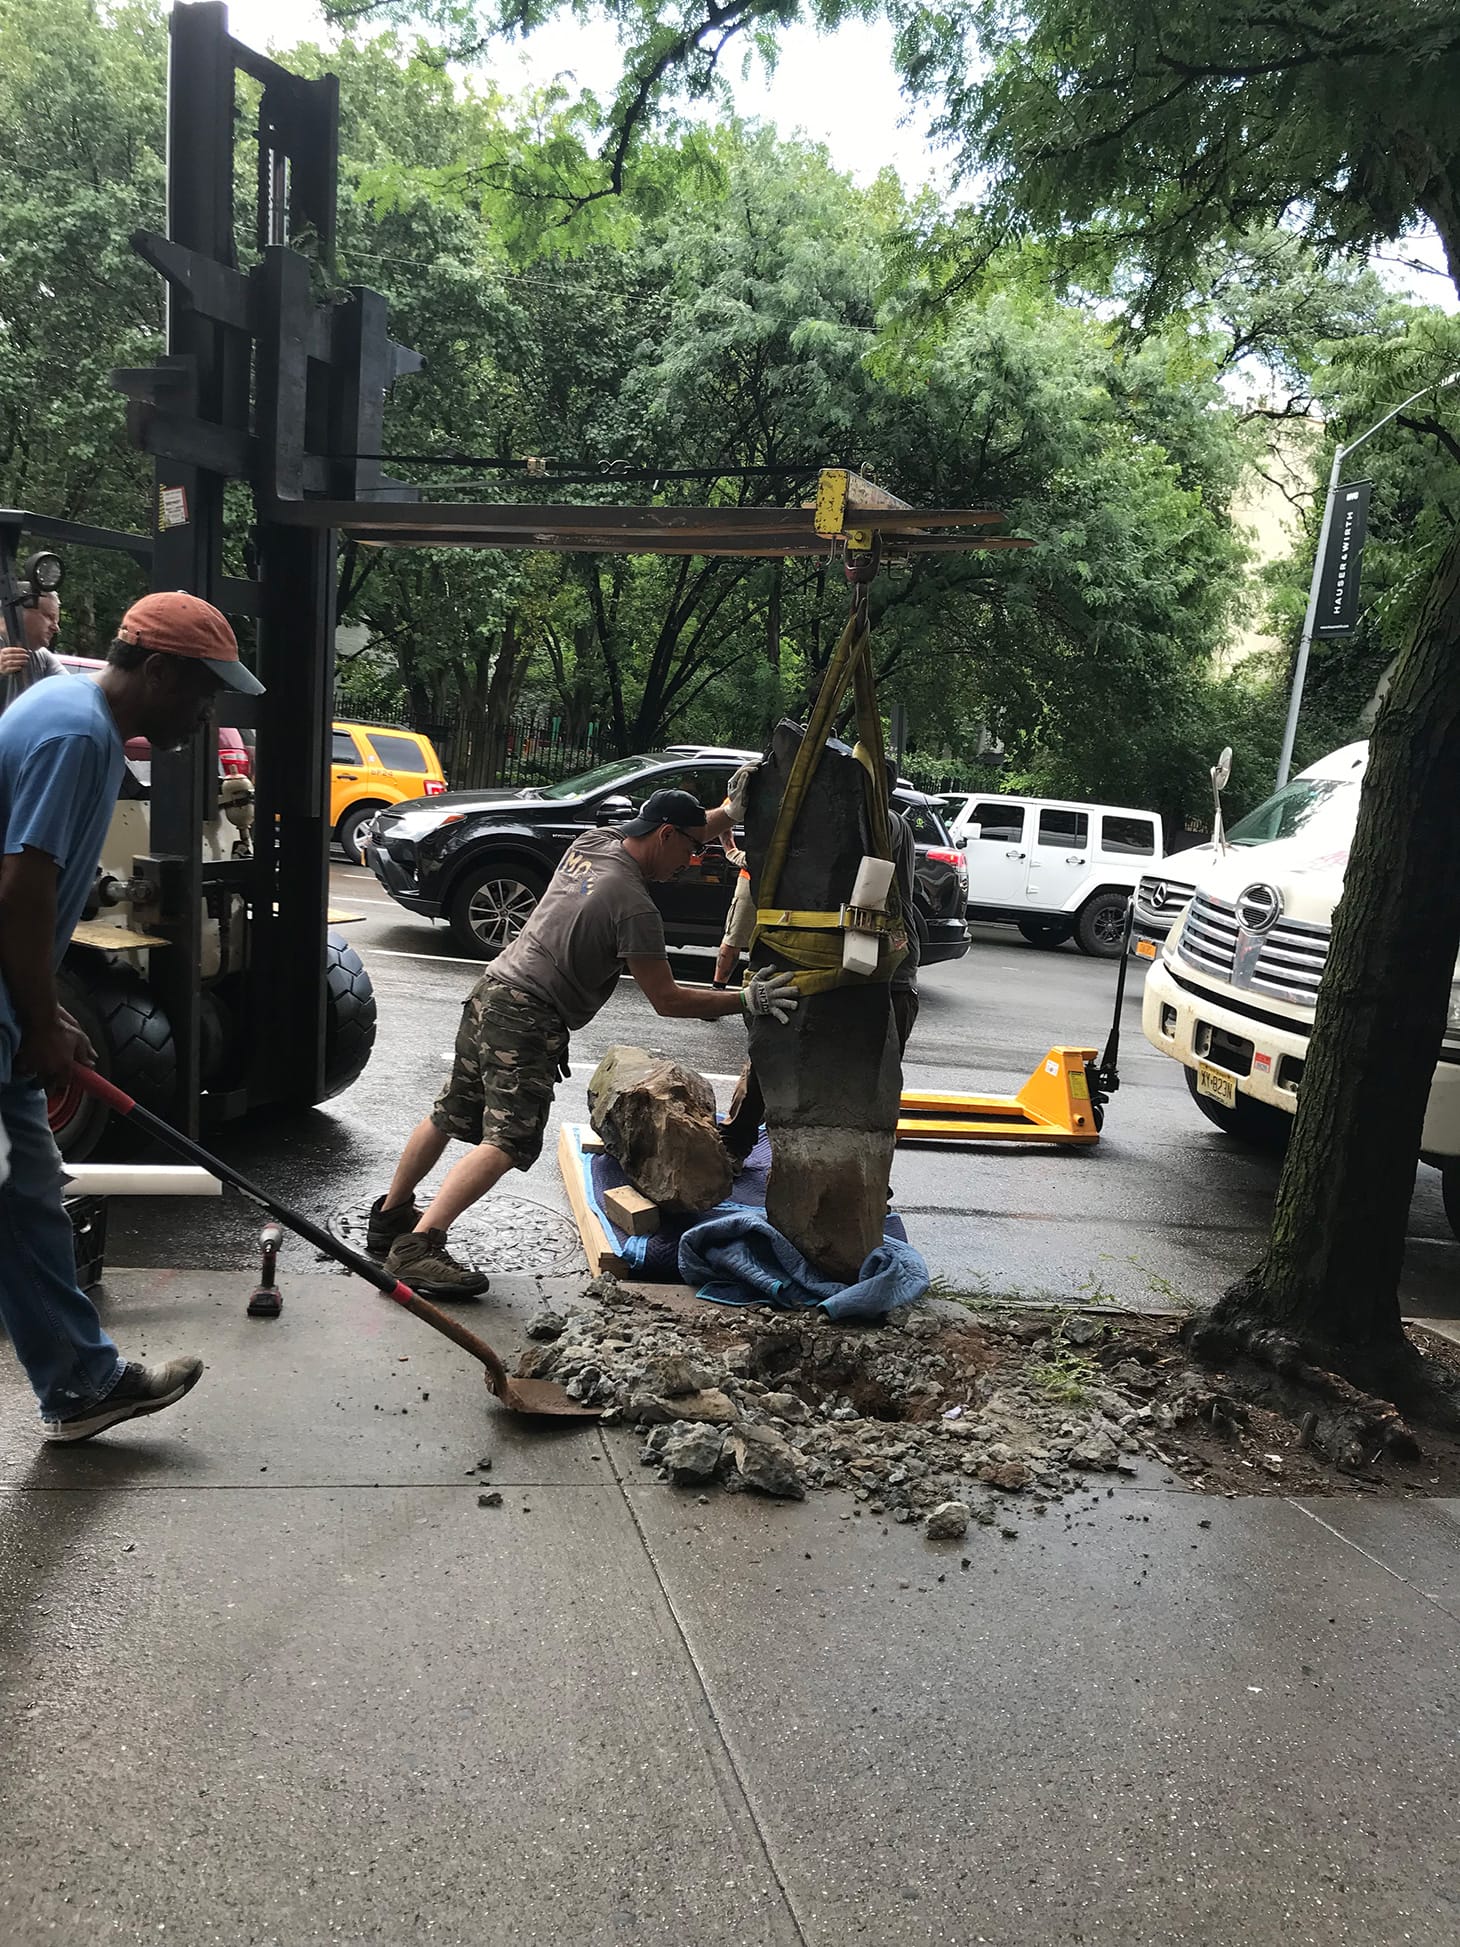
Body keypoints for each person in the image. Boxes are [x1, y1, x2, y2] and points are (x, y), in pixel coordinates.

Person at [0, 591, 264, 1442]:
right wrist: (41, 1019)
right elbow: (21, 888)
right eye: (203, 691)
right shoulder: (78, 735)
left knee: (26, 1196)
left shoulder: (67, 709)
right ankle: (81, 1382)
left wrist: (41, 1009)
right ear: (157, 671)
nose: (206, 713)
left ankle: (83, 1385)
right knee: (19, 1195)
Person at [367, 783, 798, 1296]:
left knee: (450, 1113)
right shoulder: (634, 907)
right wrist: (747, 1000)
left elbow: (689, 823)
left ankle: (391, 1215)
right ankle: (419, 1246)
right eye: (691, 849)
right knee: (506, 1140)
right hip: (528, 1015)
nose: (691, 861)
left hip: (492, 990)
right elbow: (667, 1000)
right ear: (665, 835)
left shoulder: (594, 843)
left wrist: (729, 812)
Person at [721, 774, 918, 1164]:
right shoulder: (854, 819)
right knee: (771, 1054)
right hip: (837, 960)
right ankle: (737, 1139)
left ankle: (862, 1170)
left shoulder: (878, 825)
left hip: (882, 967)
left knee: (869, 1075)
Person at [0, 591, 64, 716]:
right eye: (49, 617)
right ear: (18, 611)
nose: (56, 628)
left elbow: (69, 688)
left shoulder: (42, 656)